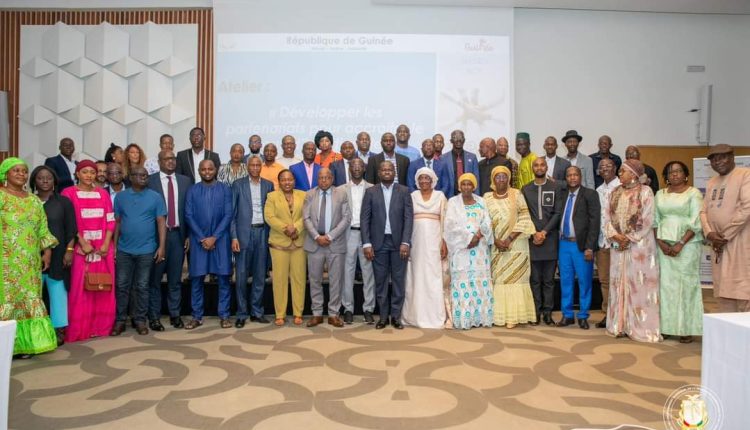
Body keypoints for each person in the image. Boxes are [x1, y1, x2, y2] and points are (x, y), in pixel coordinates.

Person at [0, 158, 58, 357]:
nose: (21, 174)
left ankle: (27, 344)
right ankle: (6, 345)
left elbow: (42, 228)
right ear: (5, 174)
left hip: (30, 262)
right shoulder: (1, 196)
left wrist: (47, 252)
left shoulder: (33, 200)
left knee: (30, 299)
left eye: (24, 171)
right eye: (15, 170)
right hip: (5, 262)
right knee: (8, 300)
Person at [604, 159, 661, 342]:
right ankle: (619, 325)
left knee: (638, 285)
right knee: (618, 283)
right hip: (618, 246)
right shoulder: (614, 192)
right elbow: (606, 217)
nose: (619, 174)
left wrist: (628, 238)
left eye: (623, 171)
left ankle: (640, 327)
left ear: (634, 174)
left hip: (639, 247)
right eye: (620, 171)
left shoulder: (646, 192)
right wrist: (615, 236)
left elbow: (647, 219)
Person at [61, 160, 116, 342]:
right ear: (77, 174)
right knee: (80, 288)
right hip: (81, 248)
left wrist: (106, 244)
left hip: (102, 248)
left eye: (92, 172)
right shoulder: (68, 193)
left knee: (102, 287)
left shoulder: (103, 194)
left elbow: (110, 219)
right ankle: (80, 329)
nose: (89, 175)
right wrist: (82, 242)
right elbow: (69, 221)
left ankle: (100, 327)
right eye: (85, 172)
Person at [110, 166, 166, 336]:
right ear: (131, 177)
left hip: (147, 249)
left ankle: (140, 320)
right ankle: (120, 320)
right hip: (124, 250)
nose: (143, 178)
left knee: (142, 286)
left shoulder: (155, 197)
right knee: (122, 285)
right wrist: (114, 246)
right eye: (139, 175)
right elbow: (117, 222)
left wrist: (162, 247)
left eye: (145, 175)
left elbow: (161, 222)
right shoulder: (121, 197)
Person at [655, 161, 704, 343]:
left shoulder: (694, 193)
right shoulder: (660, 194)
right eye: (670, 172)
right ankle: (667, 327)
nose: (674, 174)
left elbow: (696, 221)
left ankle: (686, 328)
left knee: (686, 287)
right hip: (663, 245)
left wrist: (681, 243)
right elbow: (654, 220)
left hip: (687, 245)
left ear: (686, 174)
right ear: (666, 176)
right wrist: (661, 243)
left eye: (678, 171)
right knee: (666, 287)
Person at [361, 161, 414, 329]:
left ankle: (396, 317)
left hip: (399, 243)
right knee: (381, 281)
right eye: (383, 169)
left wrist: (406, 241)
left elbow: (408, 218)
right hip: (378, 243)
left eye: (390, 169)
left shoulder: (404, 191)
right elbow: (365, 219)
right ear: (379, 173)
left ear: (394, 172)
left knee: (398, 281)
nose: (386, 172)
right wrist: (366, 243)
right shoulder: (370, 192)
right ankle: (383, 317)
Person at [484, 166, 536, 328]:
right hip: (496, 245)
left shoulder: (517, 194)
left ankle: (514, 317)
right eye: (498, 176)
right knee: (500, 279)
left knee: (516, 279)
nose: (501, 180)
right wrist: (495, 240)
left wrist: (509, 239)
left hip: (517, 244)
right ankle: (500, 317)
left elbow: (525, 218)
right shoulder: (486, 198)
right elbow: (483, 222)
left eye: (504, 176)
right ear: (493, 179)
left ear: (508, 179)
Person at [700, 144, 750, 313]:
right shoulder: (711, 182)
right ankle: (727, 327)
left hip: (739, 241)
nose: (717, 162)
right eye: (713, 159)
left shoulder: (745, 175)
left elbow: (747, 208)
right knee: (723, 291)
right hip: (718, 245)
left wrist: (725, 236)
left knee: (743, 291)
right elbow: (703, 211)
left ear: (732, 157)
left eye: (722, 157)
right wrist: (710, 233)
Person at [30, 166, 77, 345]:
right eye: (40, 178)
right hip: (32, 254)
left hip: (59, 254)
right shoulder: (29, 201)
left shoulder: (63, 202)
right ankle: (36, 330)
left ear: (54, 181)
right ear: (34, 181)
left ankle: (59, 329)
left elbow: (71, 229)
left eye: (48, 178)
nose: (45, 181)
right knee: (34, 294)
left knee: (57, 290)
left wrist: (69, 251)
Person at [184, 160, 233, 329]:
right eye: (203, 169)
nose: (207, 172)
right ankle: (196, 316)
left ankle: (224, 315)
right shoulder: (192, 190)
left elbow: (228, 215)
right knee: (197, 279)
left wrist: (214, 237)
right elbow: (188, 215)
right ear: (199, 171)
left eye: (210, 169)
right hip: (199, 241)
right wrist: (202, 238)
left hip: (221, 240)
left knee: (223, 279)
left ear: (215, 170)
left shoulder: (225, 189)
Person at [147, 150, 192, 330]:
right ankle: (154, 317)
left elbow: (189, 210)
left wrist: (188, 235)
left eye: (173, 158)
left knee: (175, 279)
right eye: (166, 159)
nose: (171, 161)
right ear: (159, 162)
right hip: (156, 237)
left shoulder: (185, 181)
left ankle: (175, 314)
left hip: (178, 236)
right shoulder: (150, 181)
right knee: (155, 280)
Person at [444, 173, 494, 330]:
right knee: (462, 281)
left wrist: (477, 236)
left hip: (480, 248)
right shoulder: (453, 202)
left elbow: (487, 221)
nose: (466, 187)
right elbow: (450, 225)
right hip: (461, 248)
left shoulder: (481, 201)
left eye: (469, 184)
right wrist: (468, 238)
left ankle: (481, 317)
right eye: (463, 184)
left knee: (480, 281)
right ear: (459, 186)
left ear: (474, 186)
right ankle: (464, 319)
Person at [303, 168, 351, 328]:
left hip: (335, 243)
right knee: (315, 280)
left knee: (336, 281)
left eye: (327, 177)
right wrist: (317, 236)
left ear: (332, 179)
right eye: (321, 177)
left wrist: (330, 236)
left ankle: (333, 314)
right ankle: (317, 314)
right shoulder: (310, 194)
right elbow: (306, 218)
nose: (324, 180)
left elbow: (346, 218)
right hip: (314, 243)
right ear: (317, 179)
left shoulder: (341, 193)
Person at [401, 167, 447, 328]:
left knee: (433, 275)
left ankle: (434, 316)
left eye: (427, 178)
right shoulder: (412, 196)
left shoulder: (440, 196)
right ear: (417, 181)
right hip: (416, 242)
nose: (424, 181)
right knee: (416, 276)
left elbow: (445, 220)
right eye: (421, 178)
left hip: (435, 242)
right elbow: (406, 219)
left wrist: (444, 242)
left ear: (433, 180)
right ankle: (414, 316)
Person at [231, 156, 274, 327]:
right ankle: (241, 313)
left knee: (260, 275)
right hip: (243, 234)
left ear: (261, 166)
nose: (255, 168)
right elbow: (232, 214)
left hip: (262, 232)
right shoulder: (238, 185)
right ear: (247, 167)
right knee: (241, 276)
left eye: (258, 165)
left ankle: (257, 312)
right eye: (252, 165)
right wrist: (234, 237)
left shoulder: (268, 185)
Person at [557, 166, 600, 330]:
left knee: (584, 281)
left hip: (581, 246)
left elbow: (594, 223)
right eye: (569, 175)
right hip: (563, 244)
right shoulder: (562, 194)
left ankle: (583, 316)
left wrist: (590, 247)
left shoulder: (590, 194)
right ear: (566, 178)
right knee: (565, 281)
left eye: (575, 175)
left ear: (580, 177)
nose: (572, 178)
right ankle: (567, 315)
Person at [521, 158, 562, 325]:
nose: (539, 167)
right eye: (536, 165)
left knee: (549, 280)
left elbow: (557, 213)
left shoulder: (555, 187)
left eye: (542, 165)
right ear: (533, 168)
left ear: (546, 167)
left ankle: (548, 313)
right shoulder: (525, 189)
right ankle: (536, 312)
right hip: (532, 240)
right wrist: (533, 233)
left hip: (549, 239)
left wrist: (544, 232)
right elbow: (524, 214)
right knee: (535, 279)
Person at [265, 169, 307, 326]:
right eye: (283, 179)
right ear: (279, 182)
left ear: (294, 181)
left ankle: (298, 313)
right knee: (279, 280)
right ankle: (280, 314)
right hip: (279, 244)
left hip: (299, 243)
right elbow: (269, 217)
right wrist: (286, 228)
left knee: (299, 279)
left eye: (290, 179)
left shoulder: (303, 195)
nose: (287, 182)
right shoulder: (271, 196)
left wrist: (296, 228)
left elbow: (307, 215)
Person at [341, 158, 376, 324]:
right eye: (353, 166)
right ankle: (348, 308)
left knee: (368, 274)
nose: (356, 168)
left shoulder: (372, 188)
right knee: (347, 273)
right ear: (349, 169)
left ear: (364, 169)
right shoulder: (341, 190)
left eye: (359, 166)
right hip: (347, 235)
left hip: (366, 235)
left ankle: (368, 308)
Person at [594, 158, 621, 328]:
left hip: (619, 242)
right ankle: (607, 314)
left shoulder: (622, 187)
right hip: (602, 242)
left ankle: (620, 314)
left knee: (620, 279)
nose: (605, 168)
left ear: (615, 168)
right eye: (602, 166)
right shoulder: (598, 190)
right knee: (604, 280)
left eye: (608, 166)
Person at [443, 130, 479, 196]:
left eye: (461, 137)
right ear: (451, 141)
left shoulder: (472, 157)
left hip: (469, 196)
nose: (458, 140)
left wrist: (476, 197)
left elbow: (476, 179)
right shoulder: (443, 158)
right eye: (455, 137)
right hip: (449, 196)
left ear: (464, 140)